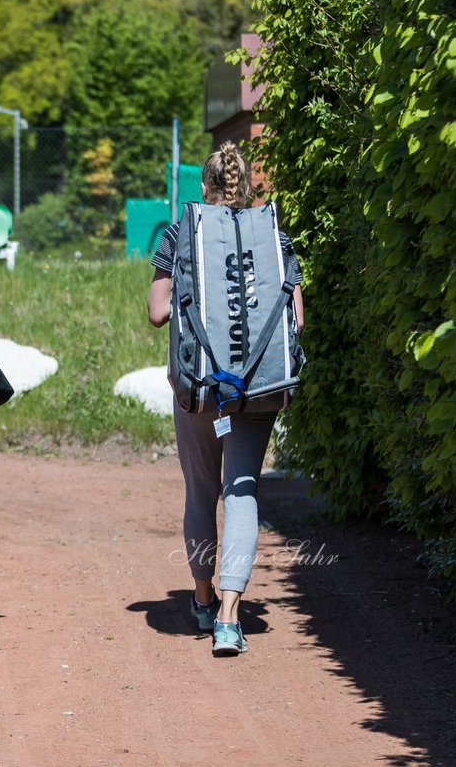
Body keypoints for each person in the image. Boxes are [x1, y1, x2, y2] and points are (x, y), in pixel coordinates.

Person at [146, 141, 305, 656]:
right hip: (257, 387)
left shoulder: (180, 232)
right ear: (248, 186)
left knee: (200, 491)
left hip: (201, 387)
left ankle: (200, 597)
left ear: (204, 186)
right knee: (242, 492)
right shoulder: (273, 234)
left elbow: (156, 311)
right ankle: (231, 619)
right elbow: (296, 318)